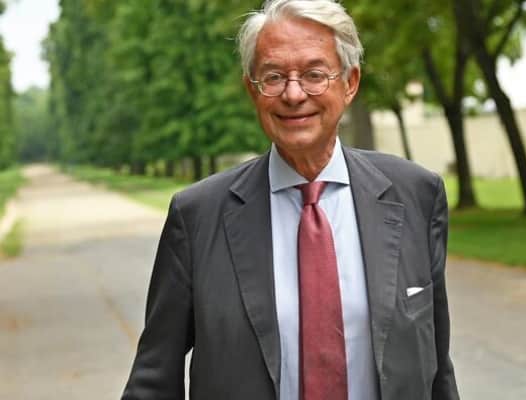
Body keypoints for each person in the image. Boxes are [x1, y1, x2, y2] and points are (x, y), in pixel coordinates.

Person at [121, 0, 459, 399]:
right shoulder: (196, 217)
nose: (294, 94)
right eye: (274, 77)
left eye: (315, 74)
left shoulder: (416, 196)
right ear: (252, 89)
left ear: (350, 83)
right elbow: (154, 379)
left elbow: (437, 370)